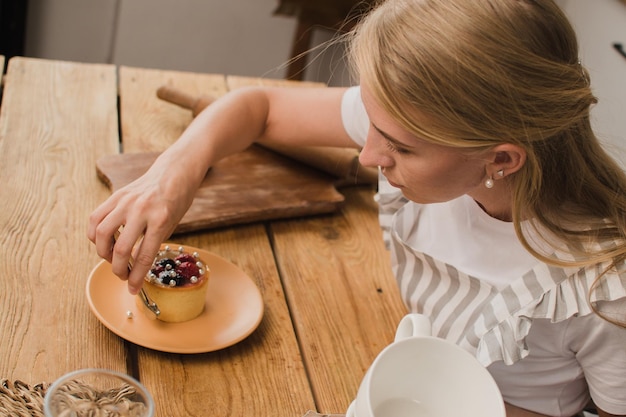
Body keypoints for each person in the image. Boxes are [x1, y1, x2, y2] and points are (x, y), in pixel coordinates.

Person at [88, 0, 626, 415]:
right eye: (369, 122)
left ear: (502, 159)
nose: (368, 155)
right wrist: (173, 174)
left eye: (400, 148)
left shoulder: (604, 289)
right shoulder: (420, 130)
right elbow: (260, 108)